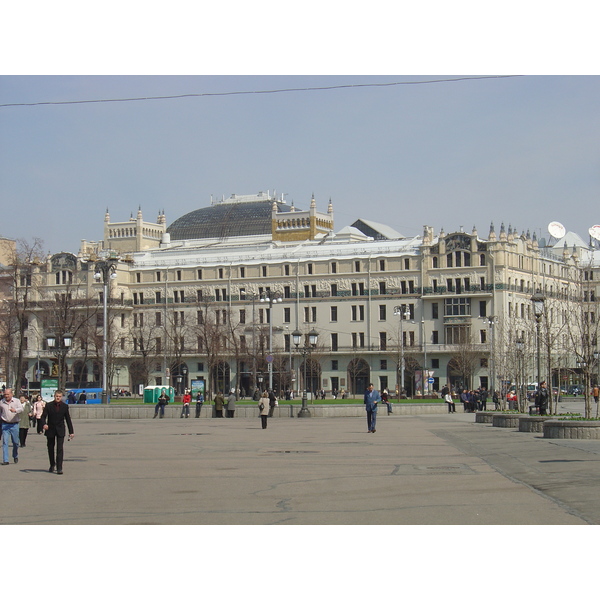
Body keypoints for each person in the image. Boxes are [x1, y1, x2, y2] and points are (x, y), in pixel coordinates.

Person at [40, 389, 74, 475]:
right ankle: (52, 464)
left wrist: (71, 431)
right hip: (50, 429)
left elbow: (68, 419)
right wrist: (44, 424)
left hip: (60, 429)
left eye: (59, 396)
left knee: (59, 449)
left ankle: (59, 467)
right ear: (54, 396)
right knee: (50, 448)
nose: (58, 398)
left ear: (61, 397)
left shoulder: (65, 406)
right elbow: (43, 416)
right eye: (56, 396)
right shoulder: (49, 405)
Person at [1, 388, 23, 465]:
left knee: (15, 442)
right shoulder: (1, 402)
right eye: (5, 394)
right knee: (5, 442)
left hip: (14, 424)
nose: (6, 396)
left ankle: (15, 455)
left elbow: (21, 409)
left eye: (7, 394)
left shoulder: (16, 401)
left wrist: (15, 410)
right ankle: (6, 460)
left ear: (11, 394)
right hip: (5, 424)